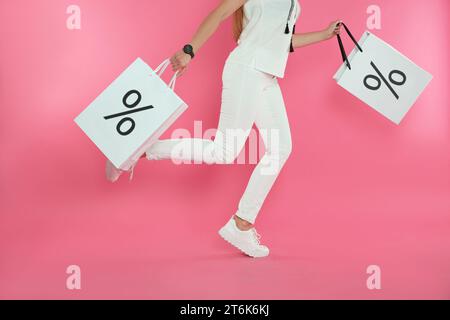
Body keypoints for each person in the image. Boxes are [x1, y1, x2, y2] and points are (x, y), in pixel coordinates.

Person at [106, 0, 342, 258]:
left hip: (267, 76)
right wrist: (189, 50)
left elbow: (282, 43)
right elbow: (219, 13)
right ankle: (139, 149)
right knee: (223, 151)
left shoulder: (294, 4)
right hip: (246, 71)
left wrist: (324, 34)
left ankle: (242, 223)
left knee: (281, 148)